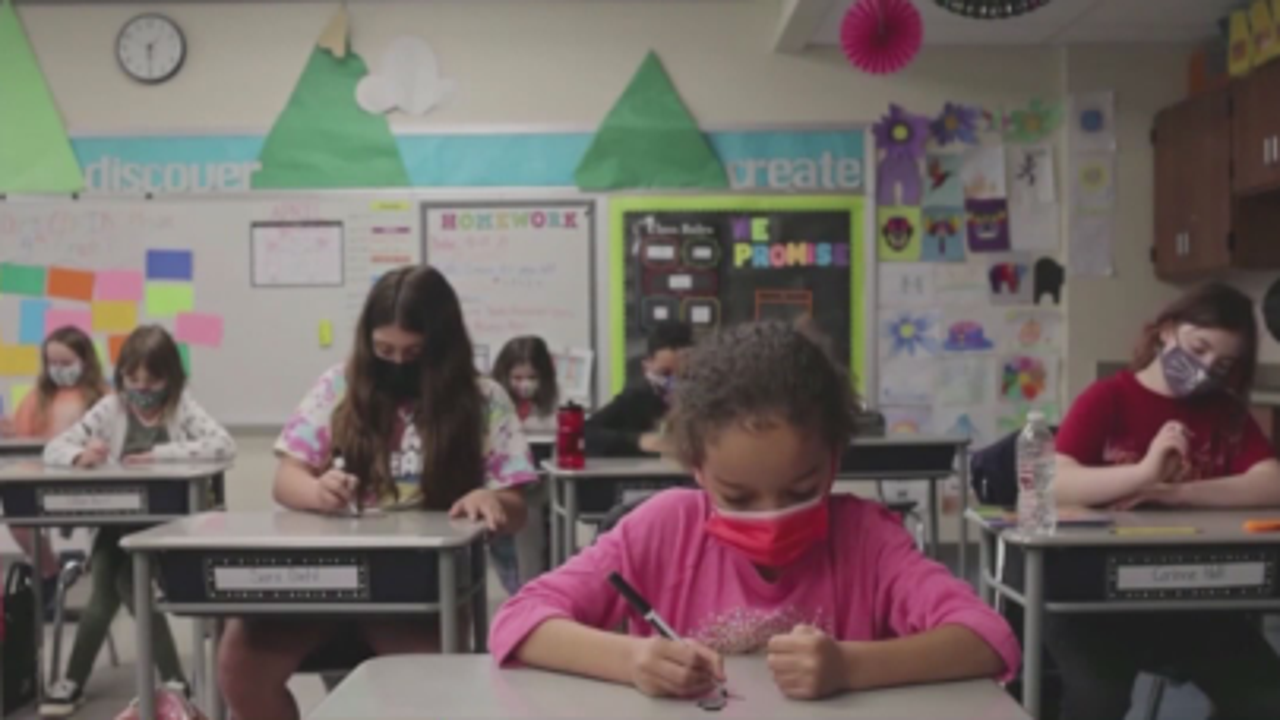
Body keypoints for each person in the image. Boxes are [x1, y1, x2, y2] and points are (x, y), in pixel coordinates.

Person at [490, 322, 1017, 699]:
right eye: (738, 497)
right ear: (697, 468)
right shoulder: (663, 528)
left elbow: (988, 639)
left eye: (800, 489)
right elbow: (518, 621)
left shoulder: (866, 539)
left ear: (834, 460)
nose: (771, 517)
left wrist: (850, 667)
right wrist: (632, 660)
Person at [217, 266, 538, 720]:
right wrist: (317, 490)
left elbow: (517, 506)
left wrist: (493, 501)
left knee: (430, 688)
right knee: (240, 667)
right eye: (384, 350)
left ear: (441, 347)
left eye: (414, 352)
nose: (398, 364)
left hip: (418, 586)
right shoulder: (339, 386)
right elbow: (286, 478)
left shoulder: (484, 400)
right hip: (323, 576)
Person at [1050, 282, 1280, 720]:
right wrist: (1143, 474)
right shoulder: (1107, 399)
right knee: (1097, 701)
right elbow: (1055, 483)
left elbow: (1272, 482)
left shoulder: (1226, 412)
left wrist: (1176, 494)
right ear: (1167, 331)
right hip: (1096, 603)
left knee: (1267, 699)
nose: (1206, 368)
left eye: (1222, 364)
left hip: (1192, 602)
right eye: (1198, 349)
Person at [40, 325, 236, 718]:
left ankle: (168, 680)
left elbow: (223, 445)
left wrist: (160, 455)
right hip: (115, 524)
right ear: (122, 376)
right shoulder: (111, 407)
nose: (142, 389)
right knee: (103, 592)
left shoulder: (181, 407)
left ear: (171, 378)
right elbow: (54, 448)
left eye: (152, 381)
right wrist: (79, 456)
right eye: (133, 379)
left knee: (129, 584)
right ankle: (80, 681)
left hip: (165, 528)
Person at [1, 327, 109, 606]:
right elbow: (22, 439)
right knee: (17, 513)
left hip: (92, 485)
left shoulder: (102, 397)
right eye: (53, 363)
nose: (59, 369)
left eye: (66, 362)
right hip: (43, 482)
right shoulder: (37, 397)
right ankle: (49, 571)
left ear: (85, 361)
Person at [585, 321, 692, 457]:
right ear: (647, 366)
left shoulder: (708, 404)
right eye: (665, 373)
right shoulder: (635, 400)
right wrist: (639, 441)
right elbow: (583, 434)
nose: (674, 382)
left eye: (685, 374)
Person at [492, 335, 559, 434]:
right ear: (504, 375)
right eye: (517, 378)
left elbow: (558, 424)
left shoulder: (557, 394)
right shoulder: (492, 393)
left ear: (545, 375)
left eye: (533, 377)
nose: (525, 385)